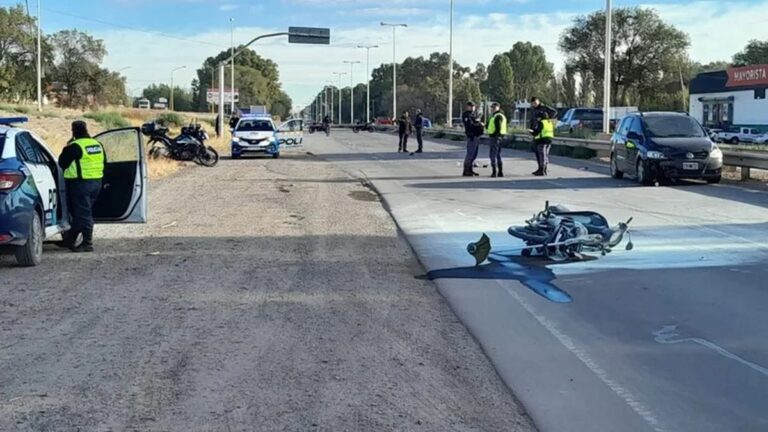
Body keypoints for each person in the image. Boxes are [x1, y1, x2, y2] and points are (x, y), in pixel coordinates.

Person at [58, 121, 105, 252]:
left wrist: (68, 146)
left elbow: (62, 163)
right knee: (81, 213)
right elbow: (104, 162)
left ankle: (87, 243)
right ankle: (69, 240)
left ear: (73, 131)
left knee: (84, 214)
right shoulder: (97, 144)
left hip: (80, 184)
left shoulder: (75, 146)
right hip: (96, 183)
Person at [461, 102, 484, 176]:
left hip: (476, 135)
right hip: (472, 136)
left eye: (473, 106)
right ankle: (466, 170)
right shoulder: (466, 115)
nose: (472, 107)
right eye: (471, 106)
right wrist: (479, 124)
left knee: (474, 154)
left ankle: (470, 170)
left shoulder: (473, 114)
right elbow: (470, 125)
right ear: (467, 107)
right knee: (470, 154)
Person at [486, 102, 508, 178]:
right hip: (500, 137)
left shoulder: (497, 116)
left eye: (494, 107)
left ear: (498, 108)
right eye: (492, 107)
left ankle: (494, 172)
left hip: (495, 137)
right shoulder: (498, 116)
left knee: (493, 155)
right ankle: (500, 172)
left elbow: (498, 128)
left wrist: (494, 135)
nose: (492, 109)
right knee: (498, 155)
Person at [530, 111, 555, 176]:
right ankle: (545, 169)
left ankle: (541, 170)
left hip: (542, 140)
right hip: (549, 140)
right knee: (545, 155)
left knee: (542, 155)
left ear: (540, 117)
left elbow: (537, 132)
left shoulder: (541, 122)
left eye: (538, 117)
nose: (537, 118)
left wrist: (531, 132)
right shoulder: (549, 122)